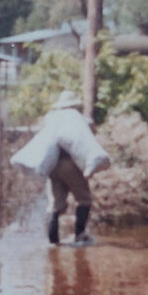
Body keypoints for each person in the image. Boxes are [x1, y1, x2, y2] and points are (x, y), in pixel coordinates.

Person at [44, 89, 95, 246]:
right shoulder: (79, 120)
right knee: (84, 198)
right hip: (69, 164)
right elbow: (87, 141)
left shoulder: (50, 119)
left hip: (52, 165)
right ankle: (79, 235)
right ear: (74, 106)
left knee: (55, 204)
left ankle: (52, 242)